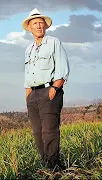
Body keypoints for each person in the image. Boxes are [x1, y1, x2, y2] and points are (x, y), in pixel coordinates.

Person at [22, 8, 70, 170]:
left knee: (49, 132)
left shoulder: (54, 42)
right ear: (29, 27)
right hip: (33, 94)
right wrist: (27, 97)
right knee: (37, 133)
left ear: (45, 26)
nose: (38, 26)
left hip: (49, 91)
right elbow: (27, 75)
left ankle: (54, 167)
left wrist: (54, 89)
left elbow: (63, 69)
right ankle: (45, 164)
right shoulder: (28, 49)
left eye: (41, 23)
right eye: (35, 23)